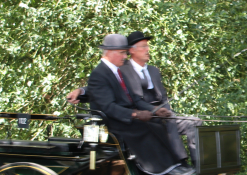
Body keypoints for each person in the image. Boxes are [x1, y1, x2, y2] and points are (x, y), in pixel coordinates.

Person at [67, 30, 202, 165]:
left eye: (147, 46)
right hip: (133, 117)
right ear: (132, 50)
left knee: (191, 122)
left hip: (152, 112)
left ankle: (196, 166)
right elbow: (101, 91)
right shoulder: (122, 69)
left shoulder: (153, 71)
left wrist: (159, 111)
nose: (147, 50)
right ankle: (175, 165)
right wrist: (80, 91)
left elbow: (162, 98)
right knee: (157, 126)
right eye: (143, 46)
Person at [85, 34, 194, 175]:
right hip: (113, 122)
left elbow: (134, 100)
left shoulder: (118, 71)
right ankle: (160, 172)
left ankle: (175, 167)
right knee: (145, 126)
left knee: (158, 122)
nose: (125, 56)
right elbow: (108, 107)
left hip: (124, 117)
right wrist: (134, 114)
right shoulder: (99, 74)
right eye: (122, 52)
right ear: (110, 52)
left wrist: (155, 111)